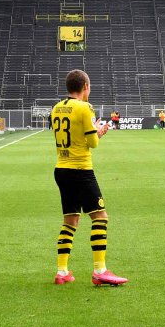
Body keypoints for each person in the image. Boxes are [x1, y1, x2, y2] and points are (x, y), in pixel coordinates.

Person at [51, 69, 127, 286]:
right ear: (85, 86)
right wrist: (98, 131)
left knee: (70, 220)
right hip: (80, 169)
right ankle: (99, 270)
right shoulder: (85, 107)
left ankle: (62, 271)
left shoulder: (56, 108)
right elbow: (92, 143)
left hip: (61, 169)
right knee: (100, 217)